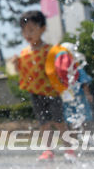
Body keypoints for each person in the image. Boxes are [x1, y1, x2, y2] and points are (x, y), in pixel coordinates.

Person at [13, 10, 73, 162]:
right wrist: (15, 65)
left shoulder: (50, 50)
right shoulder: (24, 53)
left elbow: (59, 67)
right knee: (44, 123)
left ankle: (68, 148)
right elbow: (21, 72)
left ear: (43, 29)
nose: (28, 34)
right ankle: (48, 150)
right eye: (25, 31)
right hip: (35, 92)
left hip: (52, 91)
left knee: (59, 121)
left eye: (32, 30)